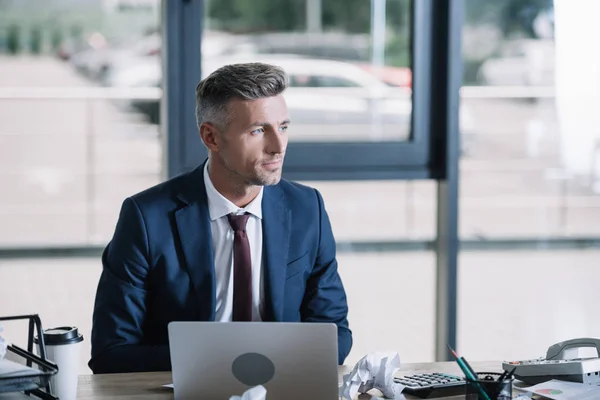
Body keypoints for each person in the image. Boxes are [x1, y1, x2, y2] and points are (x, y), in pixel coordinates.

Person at [89, 62, 352, 373]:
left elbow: (335, 333)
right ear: (211, 137)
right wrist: (220, 362)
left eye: (283, 127)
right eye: (258, 130)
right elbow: (111, 351)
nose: (278, 147)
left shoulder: (307, 208)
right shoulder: (147, 218)